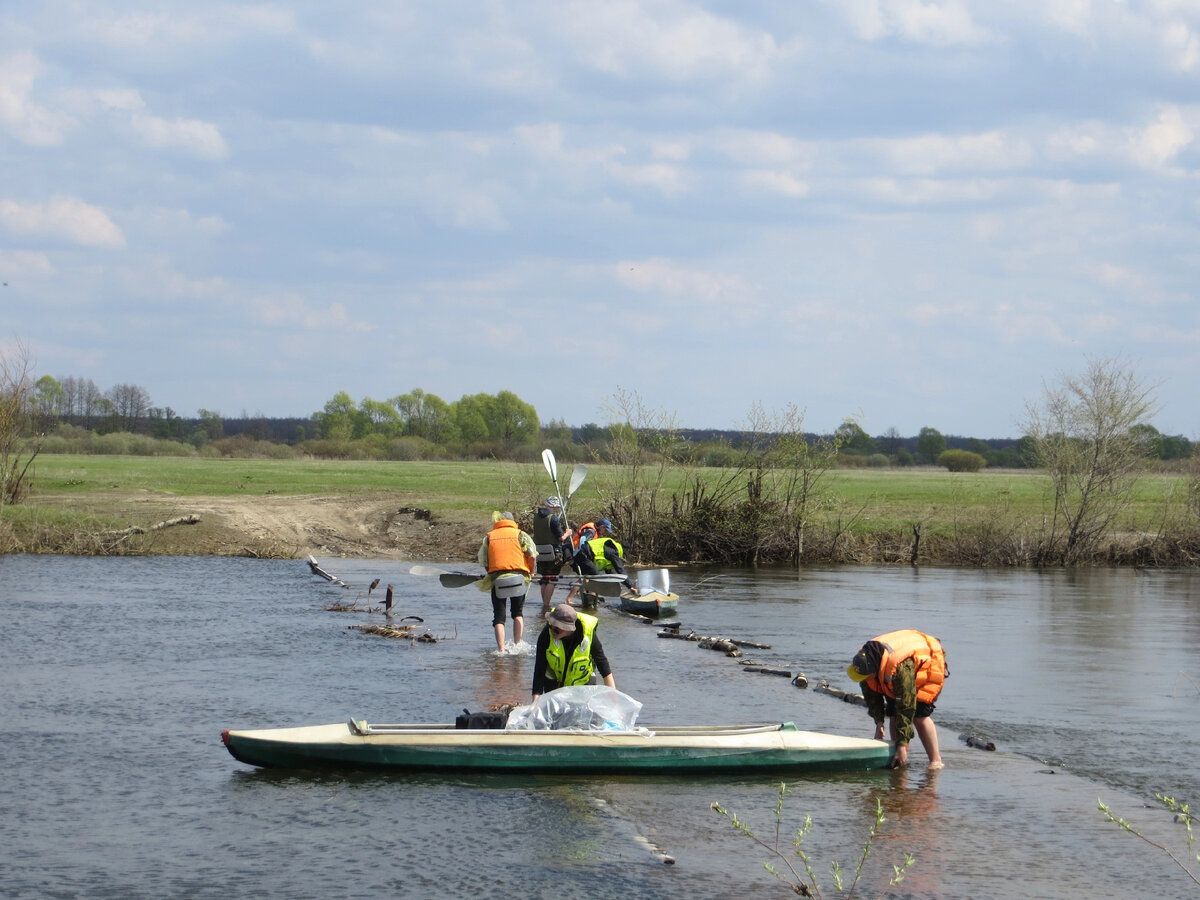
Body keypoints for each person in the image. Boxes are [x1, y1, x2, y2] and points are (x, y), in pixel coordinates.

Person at [846, 629, 947, 770]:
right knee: (893, 713)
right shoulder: (865, 664)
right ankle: (899, 757)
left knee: (919, 716)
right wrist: (879, 723)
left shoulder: (900, 669)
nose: (863, 680)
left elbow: (906, 706)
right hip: (894, 671)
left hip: (927, 663)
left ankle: (936, 760)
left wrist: (901, 743)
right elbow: (872, 697)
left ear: (874, 672)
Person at [476, 511, 538, 653]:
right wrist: (531, 572)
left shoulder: (489, 537)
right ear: (512, 521)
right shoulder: (521, 534)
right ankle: (517, 645)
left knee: (499, 617)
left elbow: (484, 560)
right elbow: (533, 556)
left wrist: (490, 572)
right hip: (518, 579)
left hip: (498, 580)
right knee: (517, 613)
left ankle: (501, 650)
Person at [531, 603, 615, 702]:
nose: (552, 631)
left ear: (569, 629)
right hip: (555, 686)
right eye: (551, 626)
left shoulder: (588, 636)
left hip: (583, 687)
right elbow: (539, 670)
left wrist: (614, 701)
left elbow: (604, 667)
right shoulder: (546, 634)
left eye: (557, 630)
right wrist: (535, 704)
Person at [532, 496, 573, 615]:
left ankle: (544, 605)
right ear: (554, 506)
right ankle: (546, 606)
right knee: (552, 578)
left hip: (539, 551)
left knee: (544, 578)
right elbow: (561, 537)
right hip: (553, 552)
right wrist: (567, 533)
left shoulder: (536, 517)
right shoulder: (554, 519)